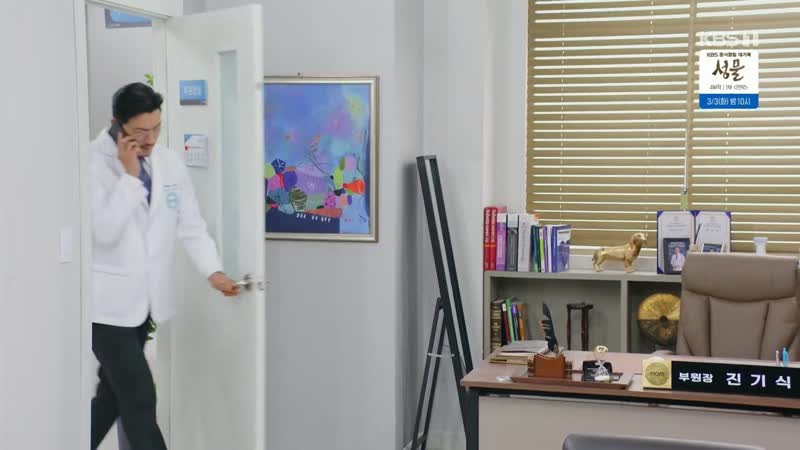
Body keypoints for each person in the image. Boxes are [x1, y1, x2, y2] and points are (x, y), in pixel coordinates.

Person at [90, 82, 239, 450]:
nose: (151, 139)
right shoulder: (92, 163)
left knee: (112, 399)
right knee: (140, 396)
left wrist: (213, 271)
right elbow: (103, 231)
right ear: (117, 123)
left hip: (145, 305)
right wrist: (128, 177)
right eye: (141, 131)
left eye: (156, 128)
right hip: (106, 308)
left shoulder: (168, 162)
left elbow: (190, 224)